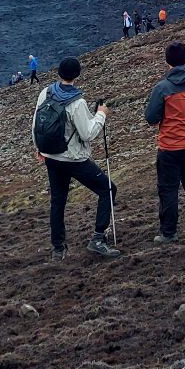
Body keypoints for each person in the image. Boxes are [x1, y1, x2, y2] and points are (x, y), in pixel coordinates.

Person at [33, 57, 119, 260]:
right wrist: (101, 114)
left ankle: (58, 249)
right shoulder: (77, 102)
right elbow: (87, 134)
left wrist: (39, 148)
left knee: (58, 201)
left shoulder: (45, 93)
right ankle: (98, 239)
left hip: (51, 156)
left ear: (58, 73)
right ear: (77, 75)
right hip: (73, 159)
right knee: (108, 189)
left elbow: (37, 122)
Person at [144, 41, 185, 243]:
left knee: (168, 189)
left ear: (167, 61)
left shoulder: (162, 88)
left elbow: (151, 118)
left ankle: (169, 233)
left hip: (171, 147)